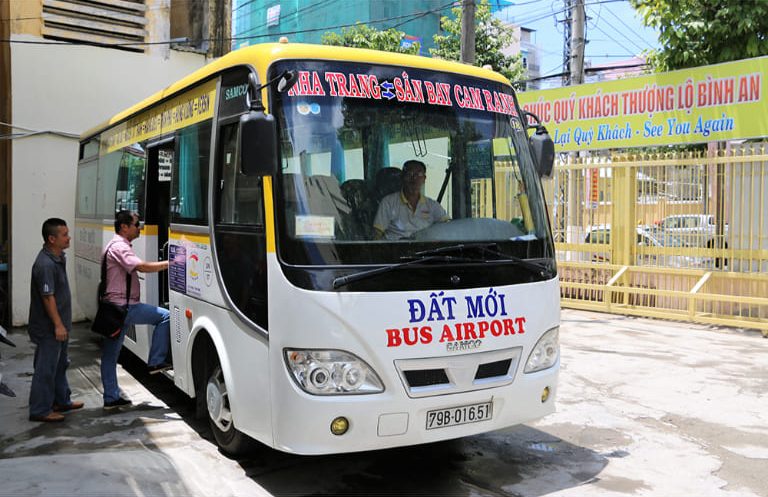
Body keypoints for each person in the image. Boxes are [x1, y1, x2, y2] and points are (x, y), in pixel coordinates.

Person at [100, 210, 170, 410]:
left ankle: (111, 397)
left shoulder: (115, 245)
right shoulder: (120, 247)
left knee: (110, 355)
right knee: (164, 317)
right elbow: (142, 267)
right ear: (124, 227)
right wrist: (170, 264)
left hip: (115, 308)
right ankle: (156, 361)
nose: (139, 228)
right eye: (136, 224)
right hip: (124, 308)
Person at [28, 218, 83, 422]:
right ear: (51, 239)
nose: (69, 237)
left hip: (61, 325)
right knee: (46, 368)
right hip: (49, 328)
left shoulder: (58, 258)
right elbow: (47, 297)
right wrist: (58, 325)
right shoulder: (44, 264)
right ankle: (40, 410)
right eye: (64, 235)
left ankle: (62, 400)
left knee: (60, 364)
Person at [373, 160, 449, 240]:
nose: (414, 178)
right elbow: (377, 234)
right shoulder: (388, 202)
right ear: (402, 177)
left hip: (424, 250)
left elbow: (448, 227)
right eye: (409, 174)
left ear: (424, 179)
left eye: (419, 174)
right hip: (395, 249)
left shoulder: (432, 205)